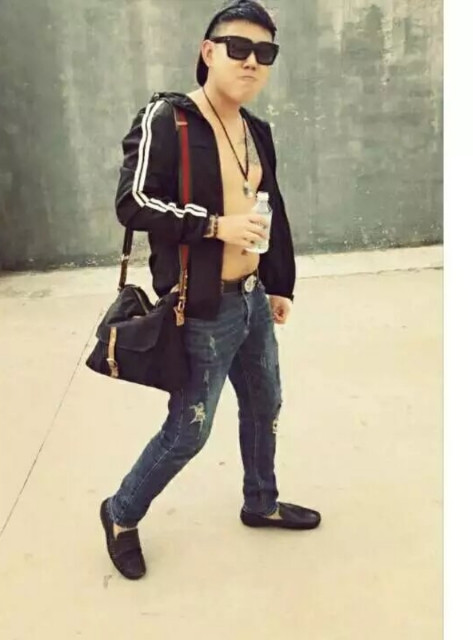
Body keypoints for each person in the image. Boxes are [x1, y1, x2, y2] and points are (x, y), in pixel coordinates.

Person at [100, 0, 321, 580]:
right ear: (208, 52)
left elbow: (272, 209)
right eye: (238, 48)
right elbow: (132, 203)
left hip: (251, 297)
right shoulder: (167, 119)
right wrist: (214, 225)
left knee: (265, 404)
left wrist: (278, 282)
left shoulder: (256, 130)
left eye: (265, 53)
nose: (251, 62)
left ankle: (261, 501)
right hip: (199, 308)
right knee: (189, 430)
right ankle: (120, 513)